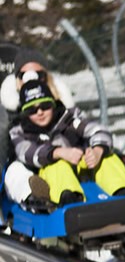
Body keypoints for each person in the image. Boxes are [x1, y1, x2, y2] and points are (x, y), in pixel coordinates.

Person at [9, 76, 125, 206]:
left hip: (82, 168)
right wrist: (58, 152)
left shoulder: (69, 119)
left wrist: (97, 151)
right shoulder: (20, 132)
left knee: (107, 157)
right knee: (57, 167)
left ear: (53, 104)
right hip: (51, 176)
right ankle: (70, 199)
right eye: (32, 110)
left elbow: (97, 130)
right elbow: (26, 152)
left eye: (45, 106)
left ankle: (123, 192)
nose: (40, 112)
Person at [1, 46, 75, 210]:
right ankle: (35, 197)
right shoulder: (8, 113)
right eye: (24, 75)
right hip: (28, 165)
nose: (31, 79)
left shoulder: (62, 108)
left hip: (63, 163)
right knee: (14, 171)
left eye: (38, 74)